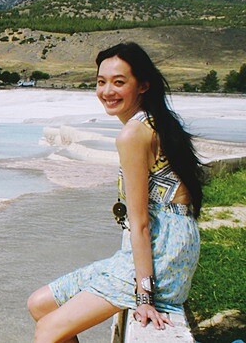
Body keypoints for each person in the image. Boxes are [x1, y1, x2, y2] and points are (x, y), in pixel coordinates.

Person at [27, 42, 204, 342]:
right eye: (101, 82)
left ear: (143, 85)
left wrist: (145, 298)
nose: (107, 91)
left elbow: (141, 224)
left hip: (163, 256)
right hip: (166, 244)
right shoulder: (154, 120)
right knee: (39, 304)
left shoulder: (133, 133)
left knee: (48, 330)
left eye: (119, 82)